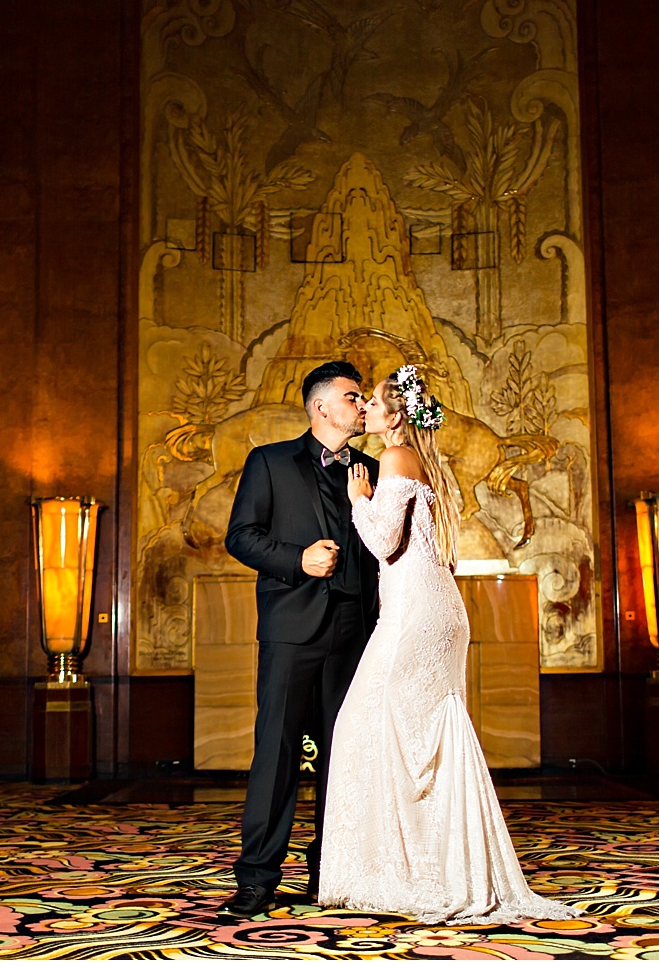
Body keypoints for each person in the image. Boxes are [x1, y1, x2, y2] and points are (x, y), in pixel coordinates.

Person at [318, 364, 579, 925]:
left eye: (372, 404)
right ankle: (427, 865)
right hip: (437, 612)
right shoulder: (428, 465)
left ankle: (407, 873)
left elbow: (385, 541)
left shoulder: (391, 459)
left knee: (367, 727)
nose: (363, 410)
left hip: (416, 614)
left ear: (395, 416)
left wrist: (357, 498)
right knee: (420, 738)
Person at [219, 360, 380, 917]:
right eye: (353, 397)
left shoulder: (372, 468)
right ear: (322, 407)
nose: (362, 406)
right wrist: (297, 559)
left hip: (356, 630)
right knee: (279, 752)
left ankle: (329, 870)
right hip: (292, 628)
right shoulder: (269, 462)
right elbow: (240, 537)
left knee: (347, 757)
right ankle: (258, 878)